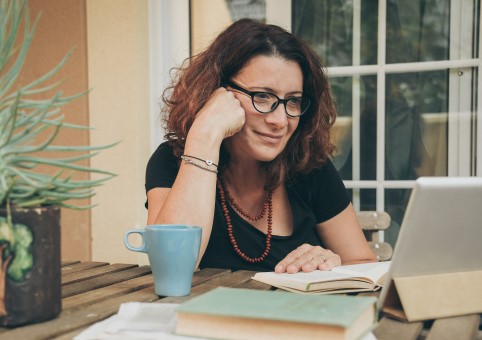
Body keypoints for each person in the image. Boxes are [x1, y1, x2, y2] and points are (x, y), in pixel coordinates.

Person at [145, 18, 376, 273]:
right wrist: (205, 135)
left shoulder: (309, 165)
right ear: (217, 93)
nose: (280, 121)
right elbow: (171, 268)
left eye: (294, 101)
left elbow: (363, 265)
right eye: (262, 96)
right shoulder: (174, 161)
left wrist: (330, 263)